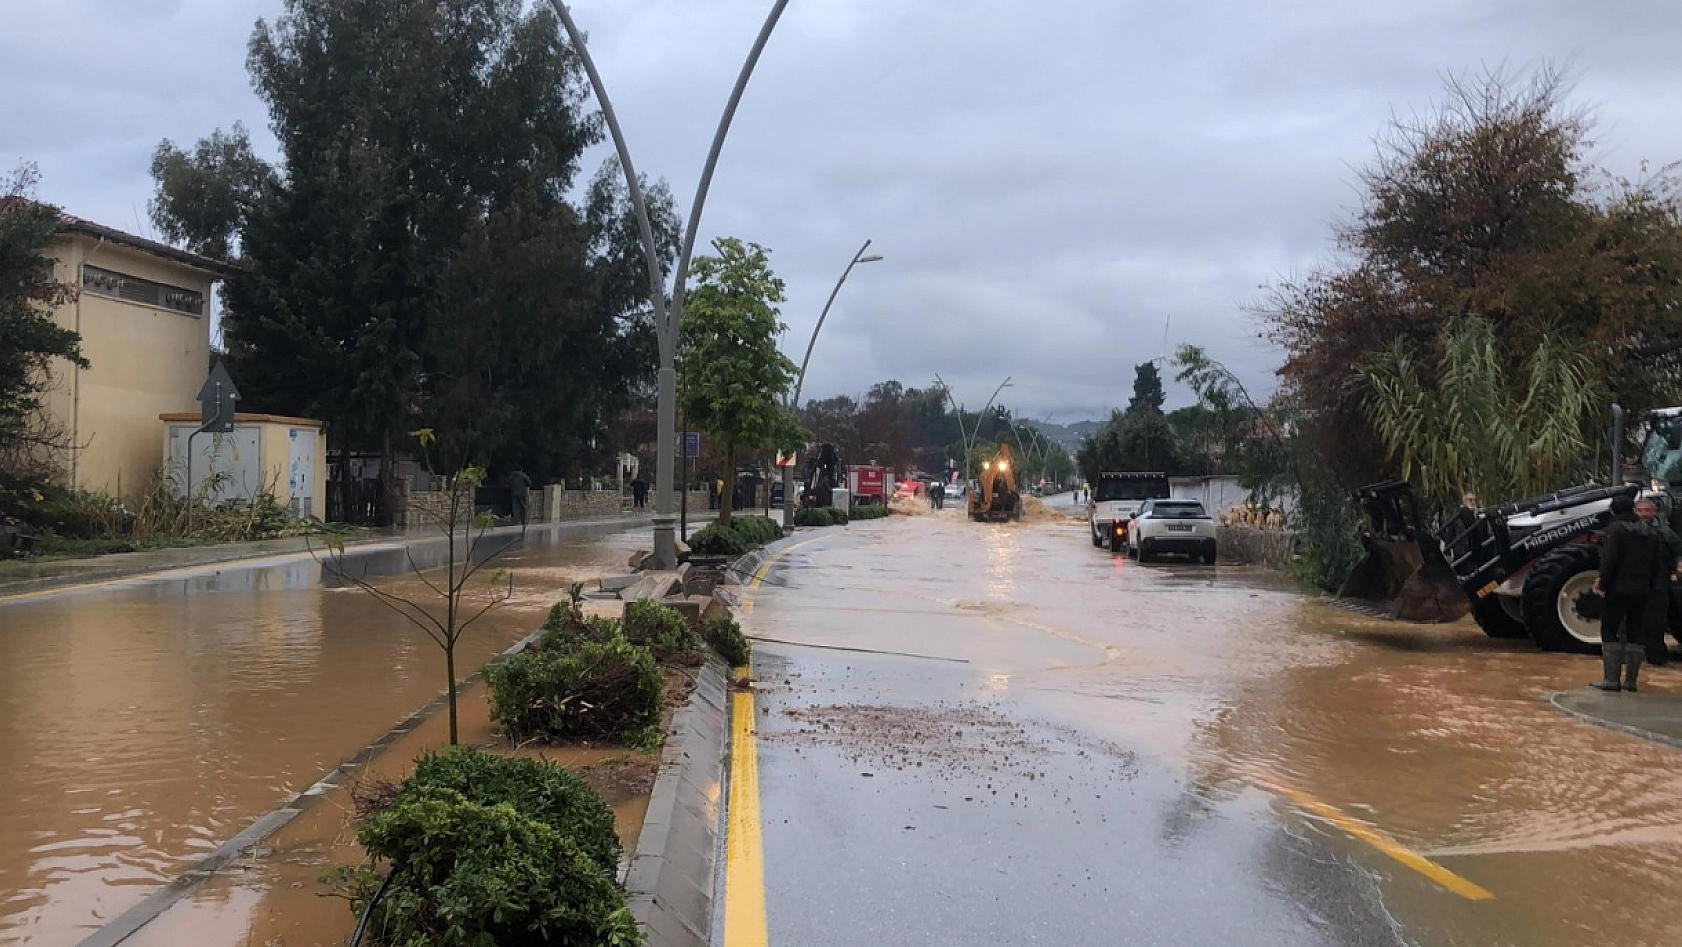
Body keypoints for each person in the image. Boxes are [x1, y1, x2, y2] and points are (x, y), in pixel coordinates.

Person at [1592, 494, 1665, 692]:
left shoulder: (1615, 530)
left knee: (1609, 629)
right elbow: (1656, 565)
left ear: (1612, 511)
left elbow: (1610, 560)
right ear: (1633, 509)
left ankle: (1611, 680)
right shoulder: (1651, 532)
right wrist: (1651, 587)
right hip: (1642, 590)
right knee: (1636, 632)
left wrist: (1602, 584)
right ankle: (1631, 682)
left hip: (1617, 589)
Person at [1638, 497, 1682, 667]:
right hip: (1637, 582)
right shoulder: (1629, 530)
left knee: (1656, 621)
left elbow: (1678, 549)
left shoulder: (1664, 532)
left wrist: (1679, 564)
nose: (1643, 514)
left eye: (1647, 511)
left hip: (1659, 583)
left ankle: (1657, 657)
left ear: (1654, 512)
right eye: (1640, 511)